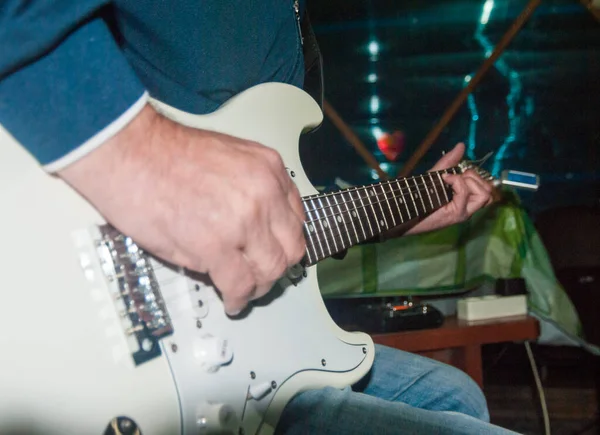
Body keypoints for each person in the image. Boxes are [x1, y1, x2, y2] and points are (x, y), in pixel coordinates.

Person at [0, 1, 518, 434]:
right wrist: (135, 146)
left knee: (457, 395)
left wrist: (398, 215)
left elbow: (263, 214)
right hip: (152, 340)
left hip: (240, 334)